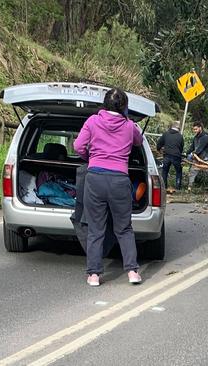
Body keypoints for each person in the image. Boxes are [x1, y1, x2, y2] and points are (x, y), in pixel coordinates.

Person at [73, 87, 143, 287]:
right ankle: (132, 272)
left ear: (104, 104)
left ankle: (94, 275)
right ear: (125, 107)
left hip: (95, 178)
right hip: (120, 179)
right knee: (124, 228)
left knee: (96, 229)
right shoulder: (130, 126)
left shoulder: (93, 121)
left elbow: (78, 146)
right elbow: (139, 141)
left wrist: (91, 159)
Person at [186, 122, 208, 192]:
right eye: (193, 129)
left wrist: (193, 154)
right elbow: (192, 147)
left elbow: (200, 148)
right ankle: (189, 187)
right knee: (192, 172)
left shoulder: (205, 137)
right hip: (197, 158)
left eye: (196, 129)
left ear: (200, 128)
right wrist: (187, 153)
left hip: (206, 158)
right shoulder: (195, 138)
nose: (194, 131)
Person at [157, 121, 184, 192]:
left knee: (165, 171)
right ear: (178, 128)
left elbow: (159, 143)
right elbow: (181, 147)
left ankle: (164, 187)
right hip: (176, 156)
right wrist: (179, 154)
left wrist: (159, 150)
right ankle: (178, 188)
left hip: (167, 156)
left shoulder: (166, 134)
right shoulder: (180, 136)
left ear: (172, 127)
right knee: (178, 172)